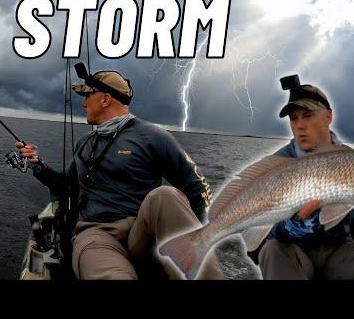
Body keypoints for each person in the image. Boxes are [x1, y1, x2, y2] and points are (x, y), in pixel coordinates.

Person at [15, 69, 224, 280]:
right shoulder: (84, 144)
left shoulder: (153, 136)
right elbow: (66, 187)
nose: (83, 104)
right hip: (97, 233)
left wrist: (200, 234)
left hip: (142, 230)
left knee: (166, 196)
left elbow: (199, 189)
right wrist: (38, 166)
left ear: (105, 99)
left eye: (87, 96)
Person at [246, 77, 354, 280]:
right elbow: (255, 251)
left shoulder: (353, 161)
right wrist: (291, 227)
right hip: (295, 258)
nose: (300, 125)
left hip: (339, 256)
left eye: (308, 115)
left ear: (328, 117)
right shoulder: (277, 163)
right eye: (294, 118)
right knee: (271, 250)